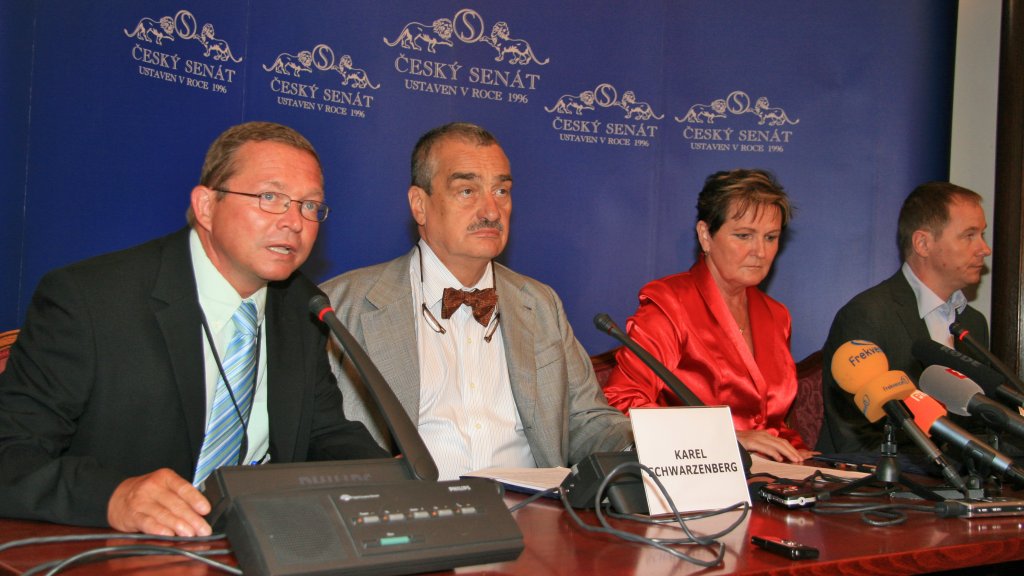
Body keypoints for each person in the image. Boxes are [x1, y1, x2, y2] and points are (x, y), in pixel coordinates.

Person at [0, 122, 387, 537]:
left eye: (310, 205)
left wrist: (398, 481)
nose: (295, 221)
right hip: (115, 548)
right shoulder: (89, 300)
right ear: (205, 206)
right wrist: (113, 496)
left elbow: (323, 434)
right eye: (270, 197)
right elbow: (11, 451)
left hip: (254, 545)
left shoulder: (302, 307)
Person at [320, 122, 633, 481]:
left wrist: (641, 445)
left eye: (501, 191)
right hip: (409, 509)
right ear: (419, 205)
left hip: (534, 508)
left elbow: (585, 420)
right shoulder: (342, 306)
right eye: (467, 191)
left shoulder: (540, 304)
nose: (491, 211)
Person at [603, 169, 813, 463]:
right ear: (705, 236)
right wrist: (726, 439)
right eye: (744, 235)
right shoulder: (669, 304)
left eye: (770, 237)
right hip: (691, 473)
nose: (760, 251)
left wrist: (803, 459)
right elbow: (622, 403)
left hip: (770, 476)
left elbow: (771, 426)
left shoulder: (777, 316)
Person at [817, 182, 992, 454]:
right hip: (885, 477)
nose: (984, 249)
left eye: (982, 235)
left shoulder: (974, 324)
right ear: (923, 243)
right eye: (969, 235)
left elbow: (979, 425)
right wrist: (941, 468)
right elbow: (855, 441)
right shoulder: (867, 315)